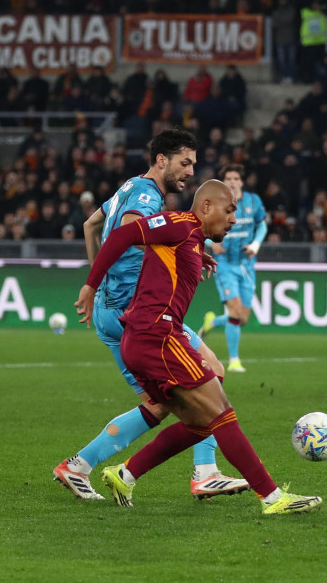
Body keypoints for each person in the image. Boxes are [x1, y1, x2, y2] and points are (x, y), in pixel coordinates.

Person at [74, 180, 320, 515]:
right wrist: (91, 286)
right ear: (206, 206)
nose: (233, 220)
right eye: (229, 210)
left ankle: (125, 475)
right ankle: (273, 498)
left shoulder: (188, 238)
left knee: (201, 424)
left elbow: (165, 247)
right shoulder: (180, 224)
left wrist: (195, 253)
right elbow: (122, 235)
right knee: (221, 411)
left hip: (145, 339)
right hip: (156, 337)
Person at [53, 129, 248, 501]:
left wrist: (100, 280)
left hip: (111, 313)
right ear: (162, 160)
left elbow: (91, 226)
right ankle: (205, 472)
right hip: (142, 316)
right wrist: (99, 282)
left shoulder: (129, 186)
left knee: (158, 404)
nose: (190, 172)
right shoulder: (146, 196)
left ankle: (78, 466)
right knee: (212, 372)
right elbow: (129, 233)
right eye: (185, 163)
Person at [199, 165, 267, 373]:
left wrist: (256, 244)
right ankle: (234, 360)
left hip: (246, 265)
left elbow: (262, 225)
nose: (232, 182)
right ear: (223, 182)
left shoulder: (254, 201)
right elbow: (199, 227)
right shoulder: (213, 203)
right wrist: (211, 244)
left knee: (242, 318)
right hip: (225, 265)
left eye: (236, 178)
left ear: (241, 182)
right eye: (228, 178)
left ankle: (212, 322)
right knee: (235, 311)